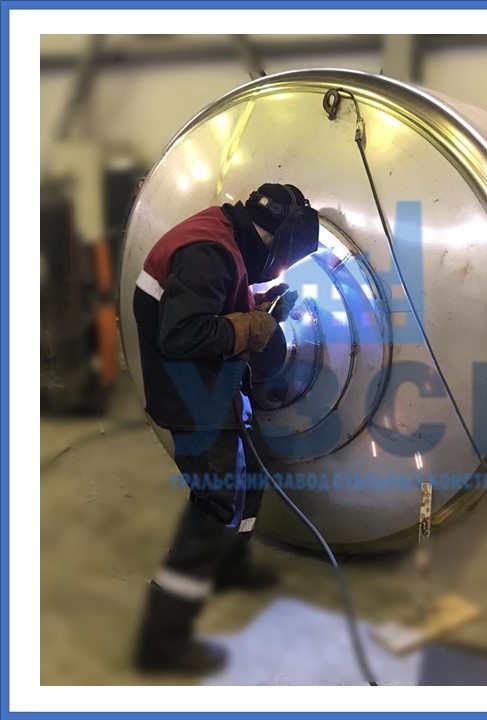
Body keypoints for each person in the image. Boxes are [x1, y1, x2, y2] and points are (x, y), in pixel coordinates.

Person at [132, 183, 319, 674]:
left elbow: (210, 300)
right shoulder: (209, 253)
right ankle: (163, 637)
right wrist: (249, 327)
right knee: (216, 507)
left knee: (250, 476)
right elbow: (180, 334)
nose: (277, 269)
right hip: (190, 397)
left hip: (212, 383)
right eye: (283, 262)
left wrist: (257, 302)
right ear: (274, 242)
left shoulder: (225, 235)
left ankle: (227, 567)